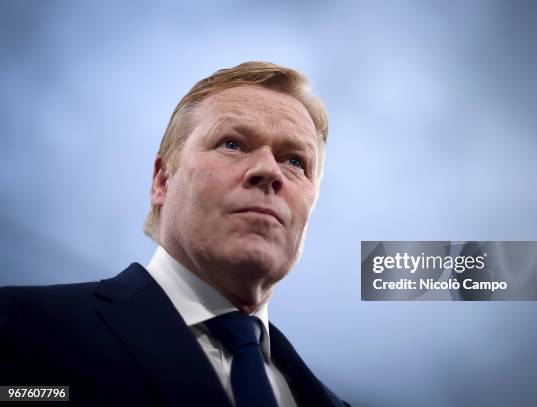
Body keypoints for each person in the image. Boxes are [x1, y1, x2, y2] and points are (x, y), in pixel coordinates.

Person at [0, 62, 348, 406]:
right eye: (232, 143)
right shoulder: (19, 327)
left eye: (295, 162)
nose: (269, 170)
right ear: (162, 181)